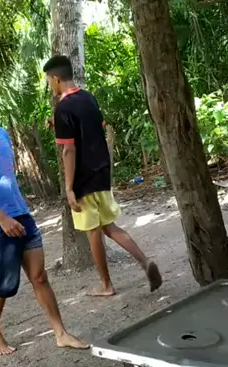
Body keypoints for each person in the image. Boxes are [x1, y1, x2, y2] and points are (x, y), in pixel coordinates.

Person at [0, 79, 89, 355]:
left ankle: (61, 333)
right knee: (5, 285)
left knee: (39, 276)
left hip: (22, 215)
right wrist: (2, 218)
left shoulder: (2, 134)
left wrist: (16, 211)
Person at [43, 55, 162, 297]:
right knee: (109, 226)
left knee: (93, 231)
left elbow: (69, 150)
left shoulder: (62, 108)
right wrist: (57, 124)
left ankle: (106, 284)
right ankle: (145, 261)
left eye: (49, 81)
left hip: (82, 177)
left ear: (56, 79)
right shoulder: (88, 97)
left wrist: (69, 188)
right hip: (101, 171)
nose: (50, 85)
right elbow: (92, 128)